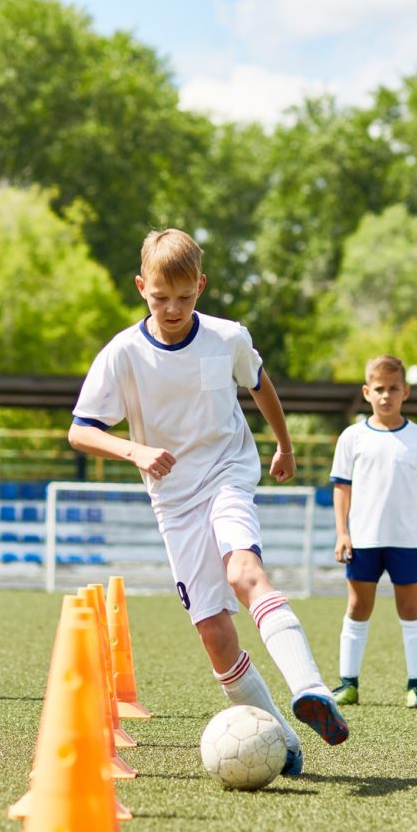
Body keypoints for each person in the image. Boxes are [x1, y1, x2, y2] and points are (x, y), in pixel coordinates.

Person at [68, 228, 348, 775]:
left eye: (185, 298)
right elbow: (80, 430)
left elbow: (260, 383)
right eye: (159, 298)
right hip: (173, 501)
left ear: (201, 286)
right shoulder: (122, 353)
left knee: (245, 571)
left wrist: (284, 445)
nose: (173, 309)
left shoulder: (227, 337)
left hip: (228, 475)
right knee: (214, 633)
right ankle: (285, 742)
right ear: (140, 287)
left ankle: (312, 689)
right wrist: (135, 450)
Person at [329, 355, 417, 709]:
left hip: (408, 541)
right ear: (366, 392)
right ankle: (348, 683)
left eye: (394, 388)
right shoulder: (352, 437)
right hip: (363, 539)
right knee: (357, 607)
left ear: (405, 392)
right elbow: (342, 488)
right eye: (379, 389)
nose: (386, 395)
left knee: (411, 609)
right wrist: (342, 533)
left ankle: (416, 686)